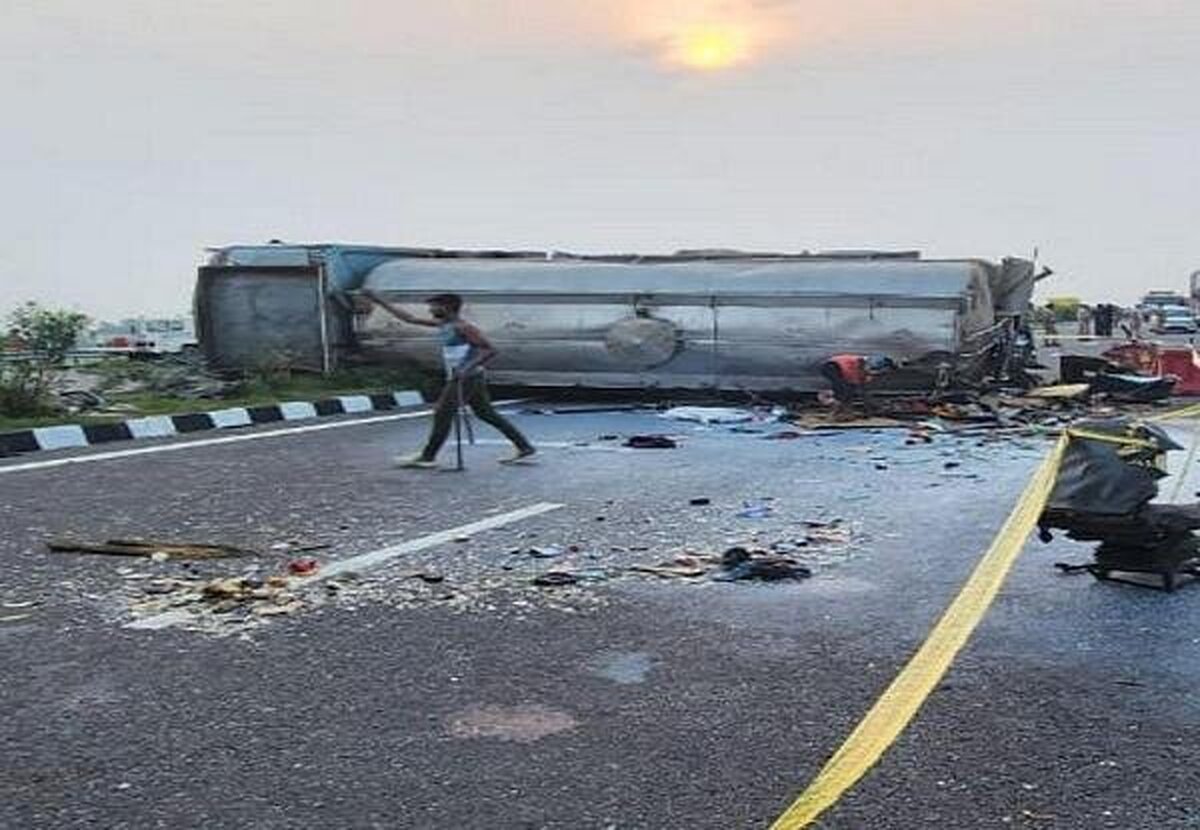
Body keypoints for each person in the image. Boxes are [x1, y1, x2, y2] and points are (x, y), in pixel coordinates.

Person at [362, 290, 536, 468]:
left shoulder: (464, 327)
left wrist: (465, 369)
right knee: (486, 413)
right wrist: (379, 301)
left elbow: (489, 349)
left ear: (447, 307)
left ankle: (428, 456)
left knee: (442, 413)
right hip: (468, 376)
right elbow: (409, 319)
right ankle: (524, 446)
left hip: (465, 377)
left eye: (434, 306)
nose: (431, 310)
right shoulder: (444, 324)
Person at [820, 353, 896, 416]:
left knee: (848, 390)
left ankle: (841, 409)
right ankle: (837, 408)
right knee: (843, 388)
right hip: (832, 366)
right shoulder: (863, 364)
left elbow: (862, 389)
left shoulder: (865, 372)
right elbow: (861, 388)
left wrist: (869, 404)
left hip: (841, 370)